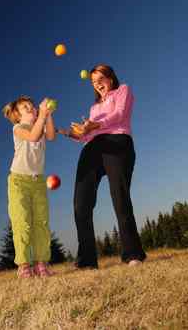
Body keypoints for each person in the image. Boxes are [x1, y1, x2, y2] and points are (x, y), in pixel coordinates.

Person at [58, 64, 146, 269]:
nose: (97, 85)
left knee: (119, 196)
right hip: (92, 148)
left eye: (100, 79)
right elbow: (86, 136)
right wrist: (72, 132)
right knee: (81, 202)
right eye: (93, 82)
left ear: (110, 78)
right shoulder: (94, 108)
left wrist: (94, 125)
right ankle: (87, 260)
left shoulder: (123, 90)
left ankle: (133, 253)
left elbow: (119, 114)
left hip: (117, 143)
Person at [2, 95, 56, 278]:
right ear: (17, 116)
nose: (32, 108)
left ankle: (41, 263)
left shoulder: (39, 127)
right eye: (26, 107)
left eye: (33, 106)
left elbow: (50, 135)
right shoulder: (18, 128)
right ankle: (24, 265)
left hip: (38, 182)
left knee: (41, 222)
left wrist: (47, 115)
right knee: (22, 222)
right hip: (19, 182)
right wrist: (41, 115)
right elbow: (33, 137)